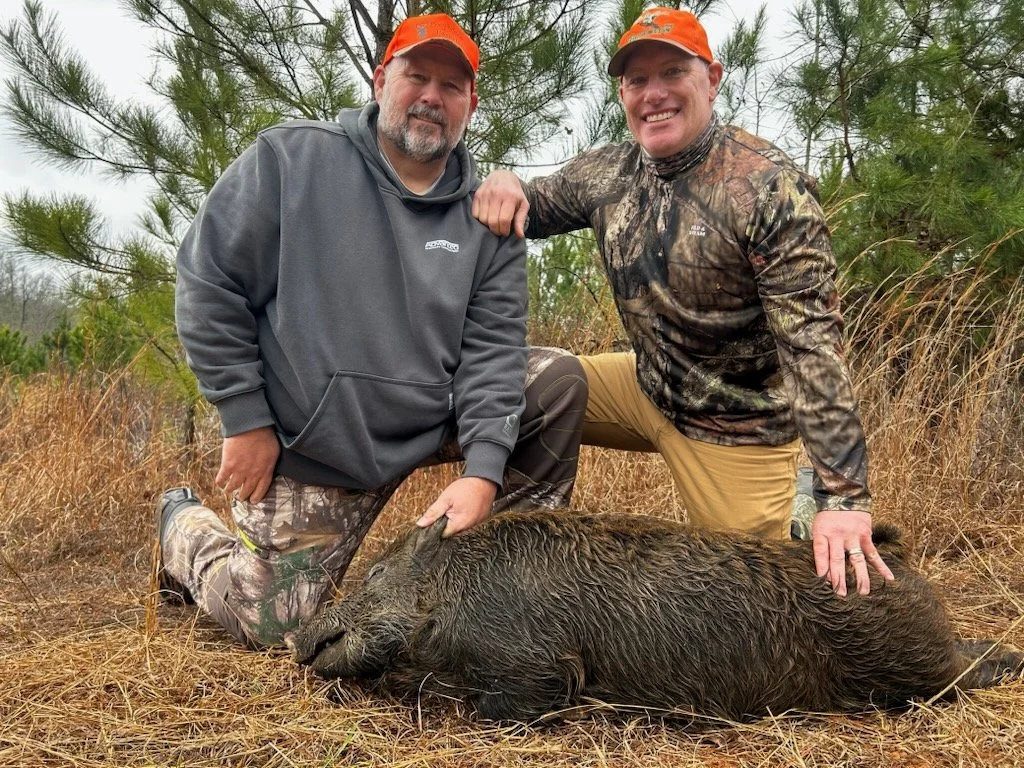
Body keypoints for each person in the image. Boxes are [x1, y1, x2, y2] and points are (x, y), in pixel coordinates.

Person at [156, 13, 588, 649]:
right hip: (320, 447)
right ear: (382, 80)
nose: (432, 97)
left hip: (430, 419)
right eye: (417, 76)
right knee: (276, 627)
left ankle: (505, 596)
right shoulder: (291, 160)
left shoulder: (487, 218)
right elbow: (208, 281)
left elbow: (493, 352)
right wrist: (244, 418)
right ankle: (181, 525)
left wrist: (484, 471)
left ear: (470, 105)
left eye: (451, 86)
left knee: (556, 382)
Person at [472, 6, 894, 596]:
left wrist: (844, 499)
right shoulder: (608, 173)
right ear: (622, 93)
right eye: (637, 79)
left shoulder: (767, 186)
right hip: (645, 387)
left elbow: (813, 347)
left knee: (751, 605)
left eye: (673, 72)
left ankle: (796, 508)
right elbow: (524, 206)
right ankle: (499, 577)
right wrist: (503, 181)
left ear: (713, 80)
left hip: (739, 427)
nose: (654, 94)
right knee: (515, 386)